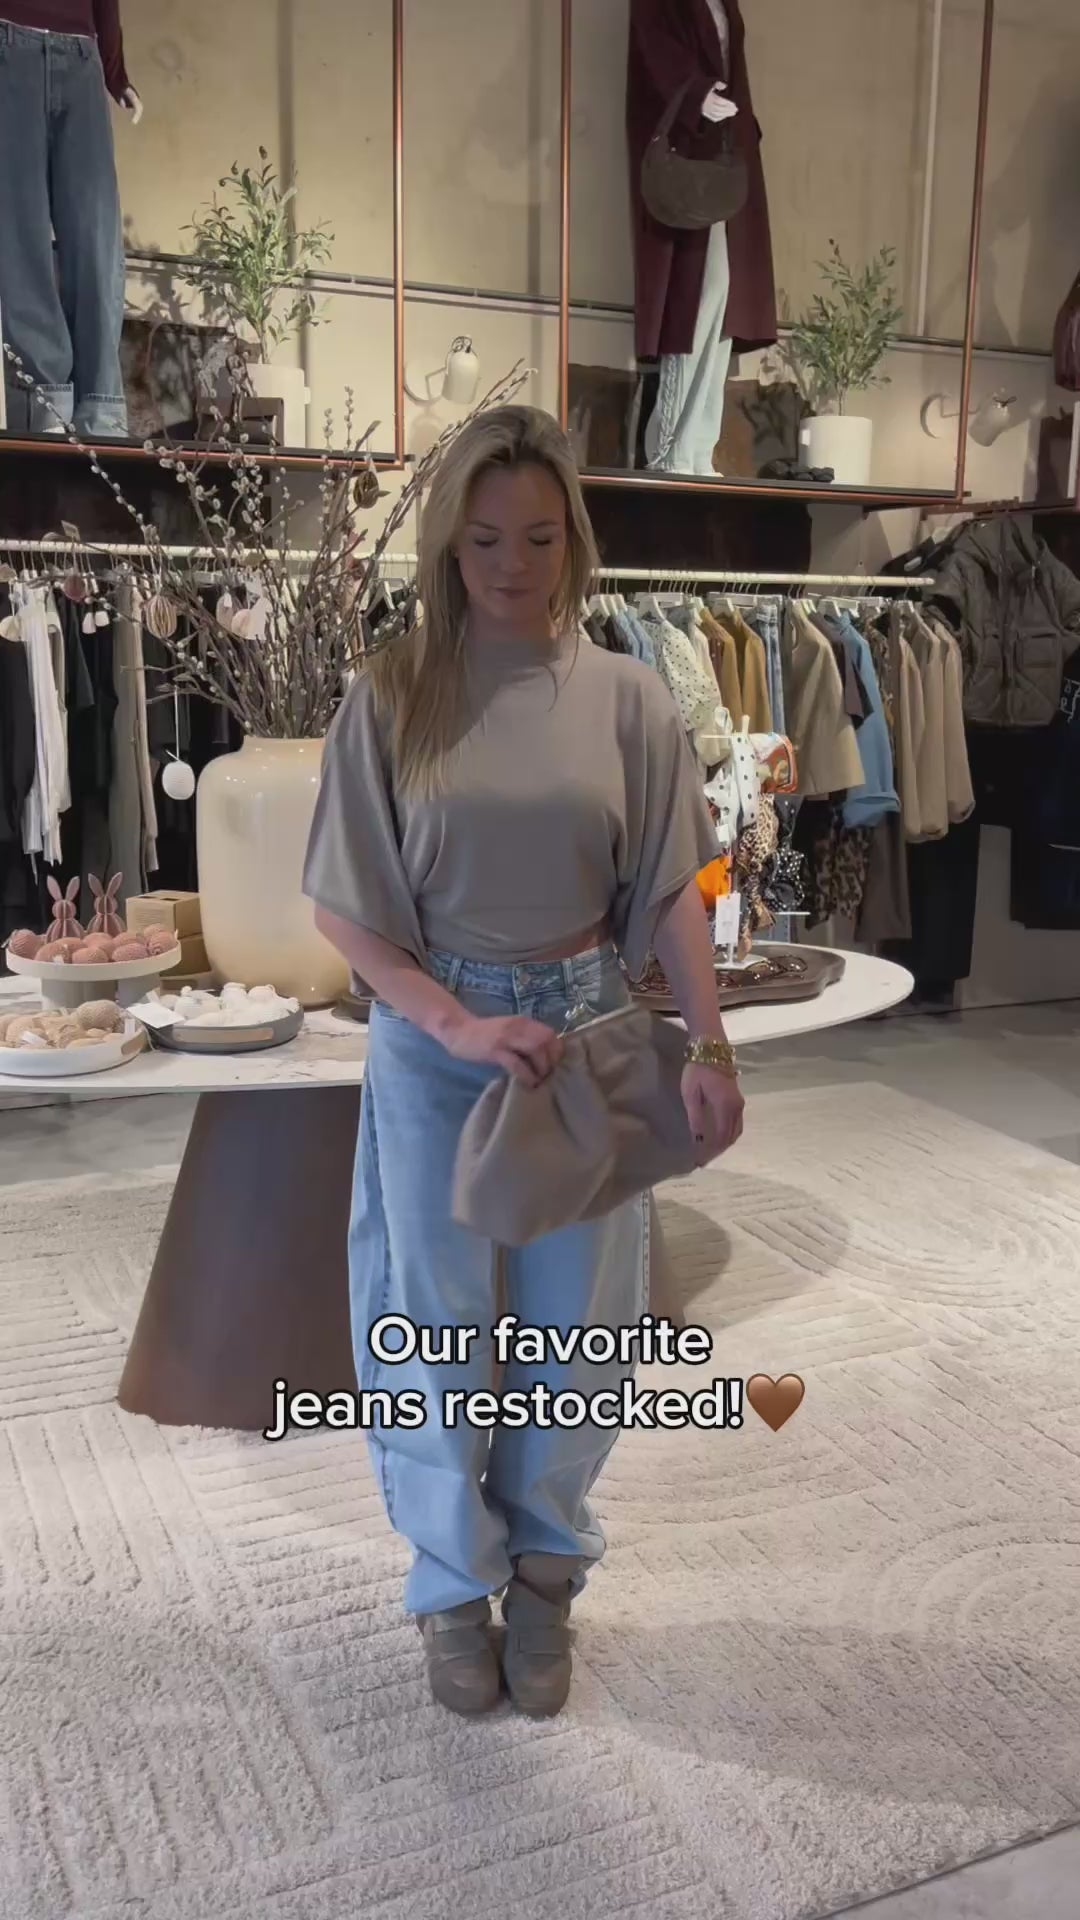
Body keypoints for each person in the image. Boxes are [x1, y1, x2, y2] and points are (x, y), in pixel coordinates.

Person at [302, 404, 744, 1719]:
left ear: (573, 540)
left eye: (540, 537)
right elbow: (346, 911)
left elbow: (672, 887)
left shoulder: (627, 697)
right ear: (448, 542)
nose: (512, 563)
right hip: (437, 1041)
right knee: (426, 1322)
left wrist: (708, 1043)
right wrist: (454, 1023)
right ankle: (452, 1585)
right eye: (486, 537)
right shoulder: (392, 693)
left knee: (583, 1324)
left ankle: (546, 1574)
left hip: (587, 1035)